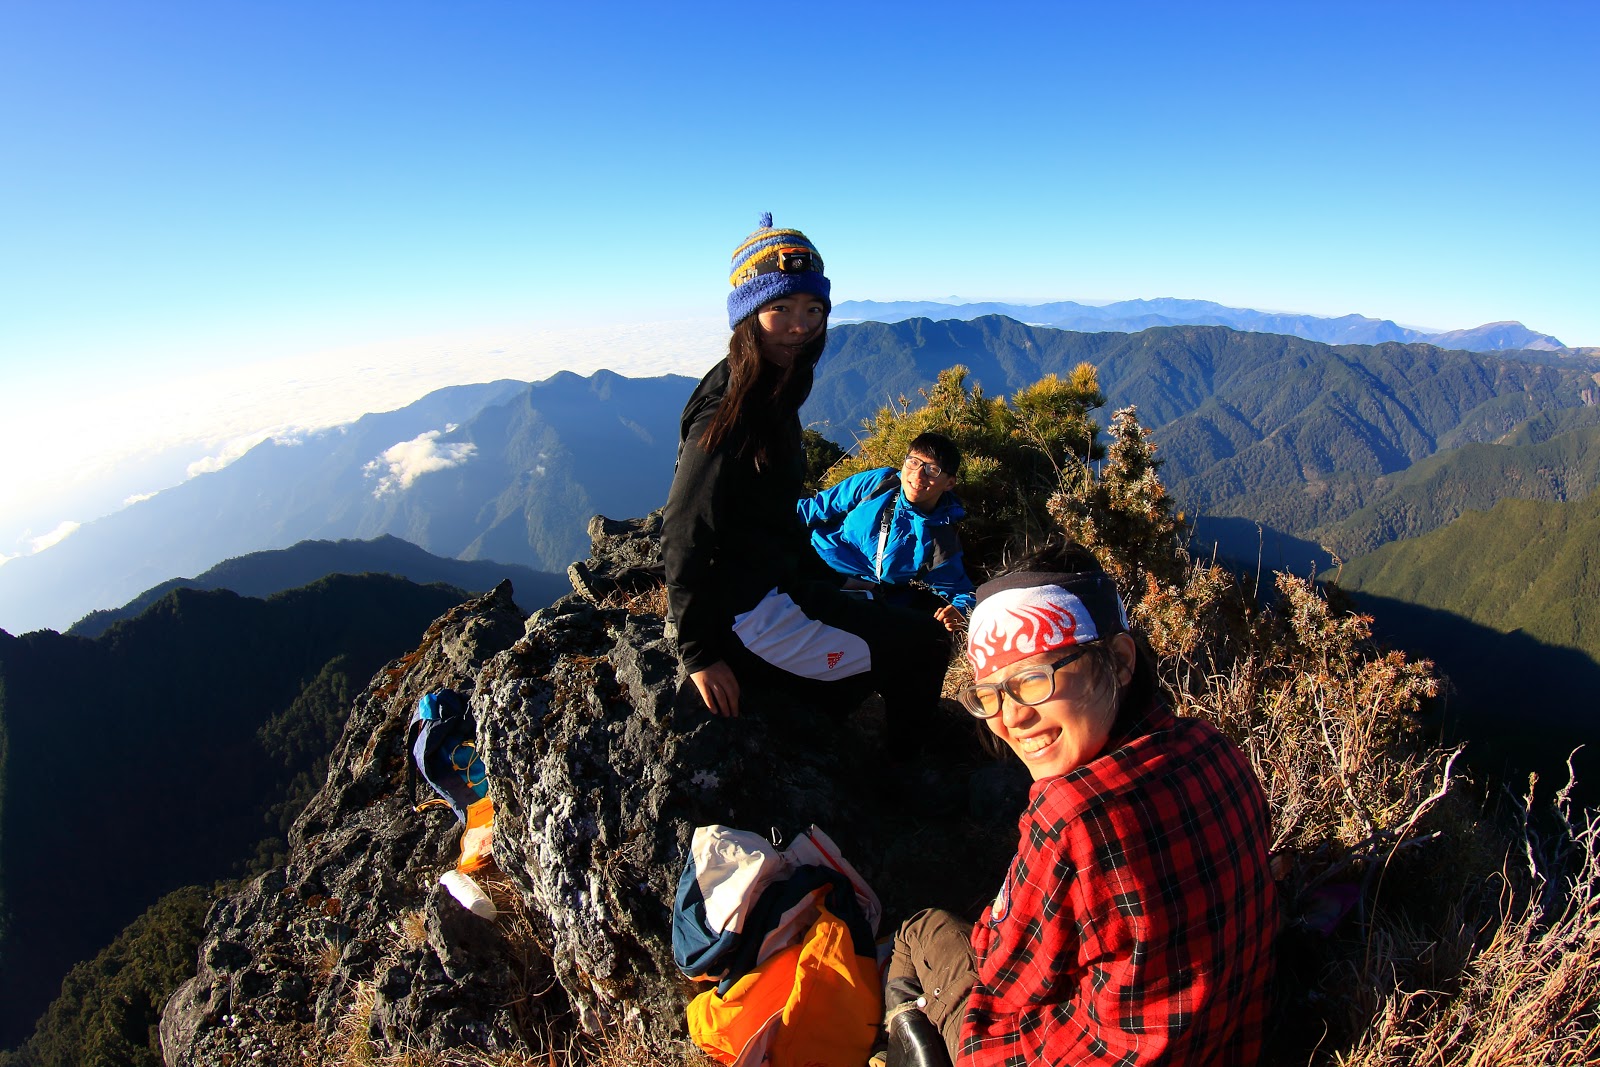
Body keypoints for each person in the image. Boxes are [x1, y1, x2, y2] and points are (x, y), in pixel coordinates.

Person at [878, 541, 1278, 1066]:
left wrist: (1000, 915)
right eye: (991, 694)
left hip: (1078, 1054)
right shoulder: (1214, 746)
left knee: (919, 931)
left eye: (1034, 680)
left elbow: (1004, 976)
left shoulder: (1071, 812)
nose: (1011, 718)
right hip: (1224, 1044)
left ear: (1120, 659)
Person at [661, 214, 951, 733]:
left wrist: (829, 576)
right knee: (925, 644)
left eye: (813, 309)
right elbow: (684, 527)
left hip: (771, 581)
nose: (801, 325)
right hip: (750, 612)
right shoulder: (730, 410)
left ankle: (829, 706)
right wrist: (699, 654)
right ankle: (904, 772)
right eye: (781, 308)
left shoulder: (769, 384)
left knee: (890, 611)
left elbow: (767, 513)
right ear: (748, 315)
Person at [797, 431, 976, 632]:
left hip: (855, 596)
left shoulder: (939, 540)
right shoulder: (881, 483)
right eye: (914, 462)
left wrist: (960, 611)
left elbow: (962, 592)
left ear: (949, 483)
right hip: (809, 558)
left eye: (932, 470)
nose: (918, 474)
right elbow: (814, 508)